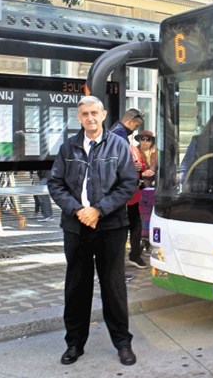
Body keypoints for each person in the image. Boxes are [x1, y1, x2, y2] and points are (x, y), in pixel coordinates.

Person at [48, 95, 138, 367]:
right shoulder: (68, 147)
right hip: (76, 227)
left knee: (113, 287)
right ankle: (74, 344)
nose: (90, 118)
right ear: (79, 117)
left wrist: (98, 209)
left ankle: (122, 343)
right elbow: (56, 184)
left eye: (94, 113)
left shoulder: (119, 146)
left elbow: (127, 184)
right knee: (77, 287)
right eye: (85, 113)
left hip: (110, 226)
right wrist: (78, 210)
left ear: (104, 115)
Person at [109, 108, 147, 269]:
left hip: (121, 189)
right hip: (124, 190)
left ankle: (129, 255)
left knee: (129, 223)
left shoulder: (113, 131)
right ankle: (130, 256)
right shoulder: (120, 135)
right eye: (136, 126)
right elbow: (120, 163)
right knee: (130, 223)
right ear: (130, 121)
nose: (135, 130)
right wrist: (134, 166)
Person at [136, 130, 157, 252]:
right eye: (142, 139)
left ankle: (148, 238)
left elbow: (156, 166)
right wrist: (142, 173)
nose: (144, 142)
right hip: (139, 187)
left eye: (147, 139)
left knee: (150, 214)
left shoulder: (156, 152)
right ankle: (141, 238)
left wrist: (152, 171)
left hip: (153, 188)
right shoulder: (135, 151)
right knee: (140, 214)